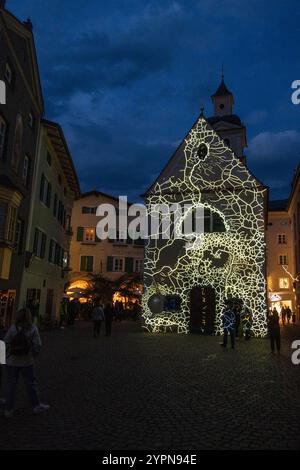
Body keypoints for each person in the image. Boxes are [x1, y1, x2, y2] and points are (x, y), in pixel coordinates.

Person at [4, 308, 49, 418]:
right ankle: (36, 405)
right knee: (31, 384)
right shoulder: (32, 328)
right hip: (27, 361)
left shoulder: (13, 328)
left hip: (12, 361)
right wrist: (34, 355)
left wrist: (4, 358)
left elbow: (5, 342)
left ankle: (8, 409)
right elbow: (37, 345)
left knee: (11, 385)